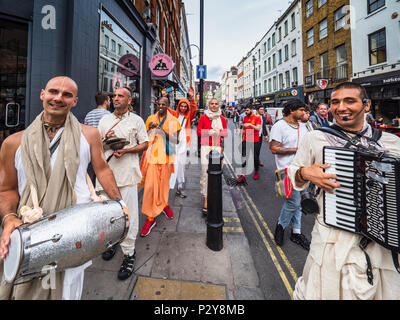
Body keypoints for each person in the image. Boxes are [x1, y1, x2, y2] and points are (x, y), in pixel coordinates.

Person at [0, 76, 122, 300]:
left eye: (66, 95)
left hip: (75, 234)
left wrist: (119, 204)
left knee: (68, 291)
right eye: (53, 92)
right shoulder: (13, 143)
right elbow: (6, 189)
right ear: (42, 94)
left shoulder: (89, 135)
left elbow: (102, 170)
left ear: (74, 101)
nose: (58, 98)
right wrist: (8, 218)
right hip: (30, 234)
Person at [288, 82, 400, 299]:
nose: (341, 107)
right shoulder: (315, 138)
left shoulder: (391, 143)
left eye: (350, 101)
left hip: (382, 245)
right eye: (335, 102)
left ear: (366, 106)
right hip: (332, 240)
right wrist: (304, 173)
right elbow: (289, 174)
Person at [96, 87, 148, 281]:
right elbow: (96, 147)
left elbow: (145, 144)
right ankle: (111, 243)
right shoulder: (104, 120)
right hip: (105, 174)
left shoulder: (136, 120)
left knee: (128, 215)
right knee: (108, 215)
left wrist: (127, 151)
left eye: (120, 96)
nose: (115, 98)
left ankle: (129, 253)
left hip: (127, 174)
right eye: (114, 96)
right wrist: (105, 141)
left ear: (129, 100)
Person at [269, 99, 310, 250]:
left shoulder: (304, 126)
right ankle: (280, 226)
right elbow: (273, 148)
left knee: (299, 202)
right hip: (287, 170)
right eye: (301, 110)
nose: (304, 113)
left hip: (303, 170)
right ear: (292, 110)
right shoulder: (279, 126)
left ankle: (296, 232)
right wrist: (295, 150)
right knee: (293, 202)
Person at [139, 96, 181, 237]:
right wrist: (149, 130)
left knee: (164, 185)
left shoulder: (174, 121)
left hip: (167, 159)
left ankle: (164, 204)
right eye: (159, 104)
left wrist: (163, 132)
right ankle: (150, 218)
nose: (161, 106)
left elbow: (177, 140)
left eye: (164, 104)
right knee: (150, 187)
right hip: (151, 158)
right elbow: (143, 138)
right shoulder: (150, 119)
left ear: (168, 105)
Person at [197, 98, 228, 216]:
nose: (214, 105)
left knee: (215, 175)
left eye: (216, 104)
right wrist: (211, 132)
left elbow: (225, 134)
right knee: (205, 173)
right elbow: (199, 132)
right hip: (205, 146)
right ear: (208, 105)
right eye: (212, 104)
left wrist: (218, 132)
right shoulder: (203, 118)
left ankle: (214, 196)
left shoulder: (223, 119)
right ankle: (205, 199)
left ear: (218, 105)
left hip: (216, 148)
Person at [167, 87, 197, 198]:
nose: (183, 108)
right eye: (182, 106)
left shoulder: (188, 115)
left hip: (183, 140)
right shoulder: (174, 113)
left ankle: (179, 186)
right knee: (173, 162)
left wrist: (192, 97)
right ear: (179, 106)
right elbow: (165, 107)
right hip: (173, 140)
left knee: (181, 164)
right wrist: (164, 95)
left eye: (185, 106)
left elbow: (194, 108)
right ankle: (169, 185)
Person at [84, 92, 112, 185]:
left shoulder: (89, 114)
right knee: (103, 172)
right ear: (105, 102)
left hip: (90, 147)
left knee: (92, 172)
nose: (110, 102)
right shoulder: (109, 115)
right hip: (104, 148)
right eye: (109, 100)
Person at [236, 105, 262, 182]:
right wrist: (241, 138)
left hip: (255, 140)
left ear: (251, 110)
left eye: (247, 110)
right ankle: (242, 175)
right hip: (246, 139)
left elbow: (258, 128)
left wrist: (250, 125)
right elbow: (243, 129)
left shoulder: (257, 117)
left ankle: (256, 172)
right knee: (244, 157)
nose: (246, 112)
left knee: (255, 158)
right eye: (245, 110)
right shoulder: (244, 118)